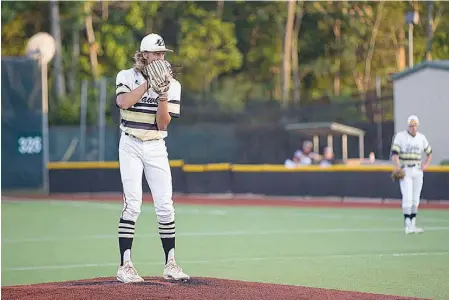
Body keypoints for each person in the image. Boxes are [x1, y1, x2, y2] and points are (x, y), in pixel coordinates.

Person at [114, 33, 189, 283]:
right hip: (131, 143)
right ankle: (125, 265)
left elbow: (163, 124)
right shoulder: (126, 76)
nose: (160, 58)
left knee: (165, 205)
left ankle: (171, 263)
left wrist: (163, 94)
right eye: (155, 54)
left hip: (156, 144)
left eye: (163, 54)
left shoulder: (173, 84)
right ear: (143, 55)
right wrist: (148, 83)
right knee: (133, 203)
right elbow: (124, 103)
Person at [390, 115, 432, 235]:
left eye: (415, 125)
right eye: (411, 125)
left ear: (417, 126)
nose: (413, 128)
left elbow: (429, 152)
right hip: (406, 170)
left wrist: (426, 164)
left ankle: (413, 223)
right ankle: (407, 224)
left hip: (417, 169)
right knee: (407, 197)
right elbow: (394, 154)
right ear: (408, 126)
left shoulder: (421, 138)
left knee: (415, 198)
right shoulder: (401, 137)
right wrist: (397, 167)